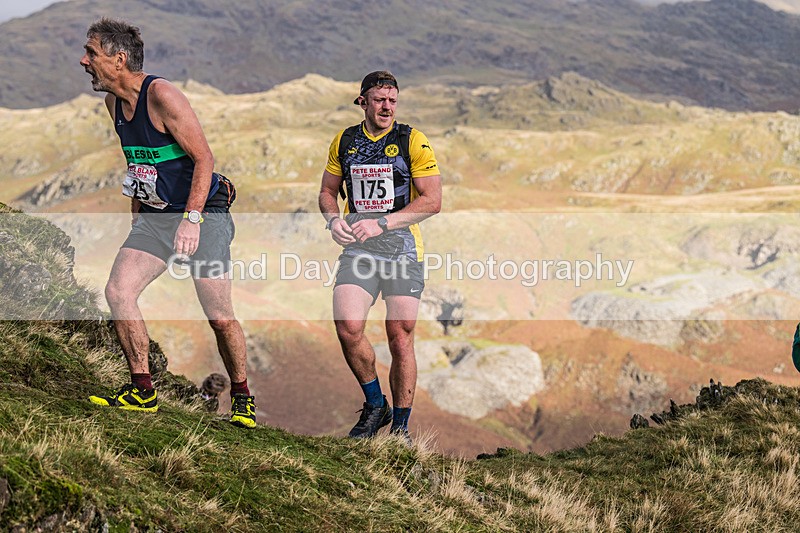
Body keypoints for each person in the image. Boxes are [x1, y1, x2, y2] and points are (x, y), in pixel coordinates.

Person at [79, 18, 256, 428]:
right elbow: (139, 160)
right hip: (155, 218)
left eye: (91, 53)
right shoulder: (113, 104)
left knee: (219, 316)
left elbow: (204, 159)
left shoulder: (161, 95)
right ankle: (142, 391)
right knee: (118, 291)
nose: (84, 61)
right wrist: (137, 213)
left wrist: (191, 220)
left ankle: (243, 397)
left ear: (118, 59)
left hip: (202, 214)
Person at [318, 71, 442, 443]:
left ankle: (400, 429)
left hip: (403, 249)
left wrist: (383, 223)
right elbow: (327, 191)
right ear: (363, 102)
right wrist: (333, 220)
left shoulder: (411, 140)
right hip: (359, 248)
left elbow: (432, 201)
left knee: (399, 336)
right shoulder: (345, 140)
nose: (387, 107)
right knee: (348, 325)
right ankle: (376, 404)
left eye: (392, 100)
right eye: (379, 100)